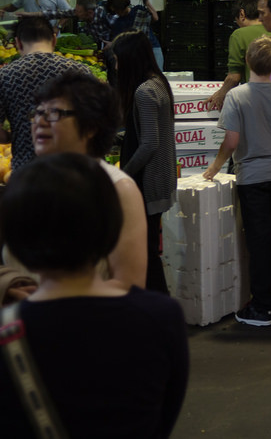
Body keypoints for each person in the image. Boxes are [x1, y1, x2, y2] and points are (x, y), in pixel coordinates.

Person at [0, 154, 189, 438]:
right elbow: (164, 415)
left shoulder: (8, 332)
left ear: (16, 238)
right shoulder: (162, 316)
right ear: (109, 228)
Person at [203, 36, 271, 326]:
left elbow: (232, 140)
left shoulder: (237, 96)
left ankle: (261, 307)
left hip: (252, 178)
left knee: (259, 240)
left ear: (248, 62)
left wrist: (214, 167)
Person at [32, 72, 148, 290]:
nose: (40, 122)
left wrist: (43, 302)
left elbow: (129, 285)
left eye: (54, 113)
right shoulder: (28, 183)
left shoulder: (117, 190)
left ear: (91, 127)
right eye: (38, 112)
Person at [110, 30, 177, 294]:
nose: (116, 66)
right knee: (148, 249)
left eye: (118, 60)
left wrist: (122, 175)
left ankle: (159, 306)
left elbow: (150, 143)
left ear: (130, 60)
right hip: (159, 179)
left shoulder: (143, 92)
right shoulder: (157, 82)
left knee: (146, 253)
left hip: (148, 183)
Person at [0, 17, 91, 170]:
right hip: (71, 169)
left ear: (18, 43)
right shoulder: (81, 72)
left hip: (26, 172)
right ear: (54, 40)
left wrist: (15, 135)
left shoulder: (5, 75)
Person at [206, 0, 271, 110]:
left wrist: (221, 94)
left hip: (255, 101)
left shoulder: (239, 35)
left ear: (241, 14)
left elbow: (234, 76)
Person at [106, 0, 163, 69]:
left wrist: (146, 2)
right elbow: (119, 40)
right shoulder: (118, 23)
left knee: (157, 74)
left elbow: (155, 18)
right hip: (136, 53)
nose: (116, 13)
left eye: (116, 10)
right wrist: (112, 43)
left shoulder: (138, 10)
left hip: (152, 47)